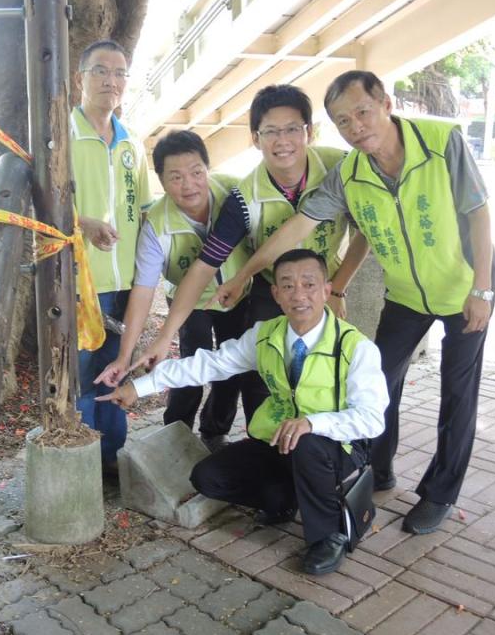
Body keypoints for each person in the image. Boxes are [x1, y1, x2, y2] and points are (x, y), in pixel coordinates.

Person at [208, 70, 495, 535]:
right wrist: (244, 274)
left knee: (458, 393)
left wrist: (482, 288)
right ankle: (377, 468)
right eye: (343, 121)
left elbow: (477, 212)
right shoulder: (351, 173)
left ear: (384, 102)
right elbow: (297, 228)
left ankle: (439, 493)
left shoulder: (442, 142)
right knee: (379, 378)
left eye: (362, 112)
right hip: (405, 293)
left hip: (465, 287)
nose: (356, 126)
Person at [98, 250, 387, 575]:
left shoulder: (355, 347)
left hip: (337, 446)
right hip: (278, 440)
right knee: (208, 478)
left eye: (309, 284)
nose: (299, 295)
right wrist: (140, 387)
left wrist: (312, 423)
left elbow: (372, 419)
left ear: (325, 290)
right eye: (288, 286)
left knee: (307, 445)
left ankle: (328, 535)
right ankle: (283, 499)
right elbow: (210, 364)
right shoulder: (265, 335)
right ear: (276, 294)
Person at [131, 85, 370, 418]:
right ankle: (260, 446)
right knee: (260, 368)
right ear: (256, 139)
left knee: (329, 365)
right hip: (269, 288)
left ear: (309, 132)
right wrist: (164, 336)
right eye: (270, 131)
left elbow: (366, 231)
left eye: (292, 129)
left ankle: (320, 443)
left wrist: (338, 288)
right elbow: (205, 265)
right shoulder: (243, 197)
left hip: (327, 287)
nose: (282, 141)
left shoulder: (341, 168)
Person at [94, 130, 253, 452]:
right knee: (188, 365)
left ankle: (215, 430)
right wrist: (125, 356)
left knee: (233, 366)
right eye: (176, 177)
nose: (189, 184)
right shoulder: (157, 224)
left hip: (238, 293)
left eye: (197, 172)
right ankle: (175, 433)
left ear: (208, 169)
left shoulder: (236, 192)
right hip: (187, 301)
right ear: (162, 183)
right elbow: (143, 290)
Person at [70, 40, 152, 469]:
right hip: (80, 283)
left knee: (118, 374)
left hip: (127, 286)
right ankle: (81, 466)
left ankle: (110, 463)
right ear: (79, 78)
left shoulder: (132, 146)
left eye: (120, 73)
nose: (111, 80)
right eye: (101, 70)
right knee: (82, 379)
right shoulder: (60, 138)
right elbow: (36, 208)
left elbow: (145, 211)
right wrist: (84, 223)